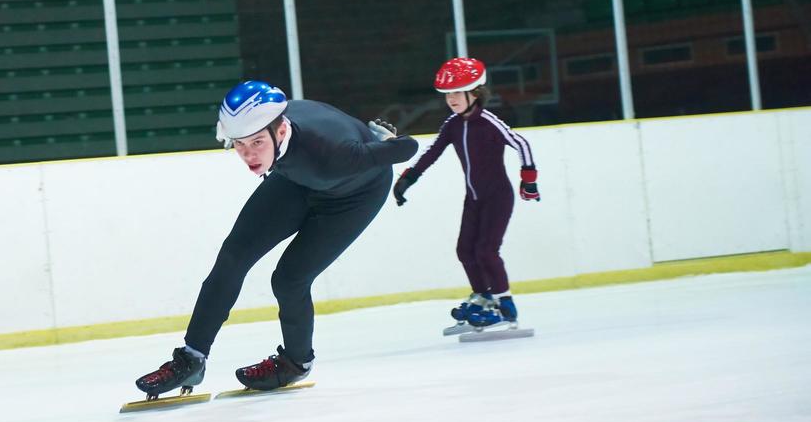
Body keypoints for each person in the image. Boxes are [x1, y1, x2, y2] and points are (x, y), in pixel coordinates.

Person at [134, 80, 419, 398]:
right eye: (239, 144)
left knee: (289, 279)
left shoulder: (333, 154)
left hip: (353, 196)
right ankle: (192, 358)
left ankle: (297, 362)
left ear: (280, 131)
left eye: (257, 143)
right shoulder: (271, 127)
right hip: (297, 179)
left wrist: (384, 143)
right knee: (233, 255)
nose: (248, 155)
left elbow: (408, 148)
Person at [391, 57, 539, 331]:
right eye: (448, 94)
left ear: (475, 93)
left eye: (457, 92)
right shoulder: (453, 125)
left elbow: (521, 143)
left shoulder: (489, 122)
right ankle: (483, 298)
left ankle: (505, 305)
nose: (452, 99)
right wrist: (408, 179)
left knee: (486, 250)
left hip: (498, 197)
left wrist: (528, 180)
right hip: (473, 198)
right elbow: (432, 153)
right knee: (464, 250)